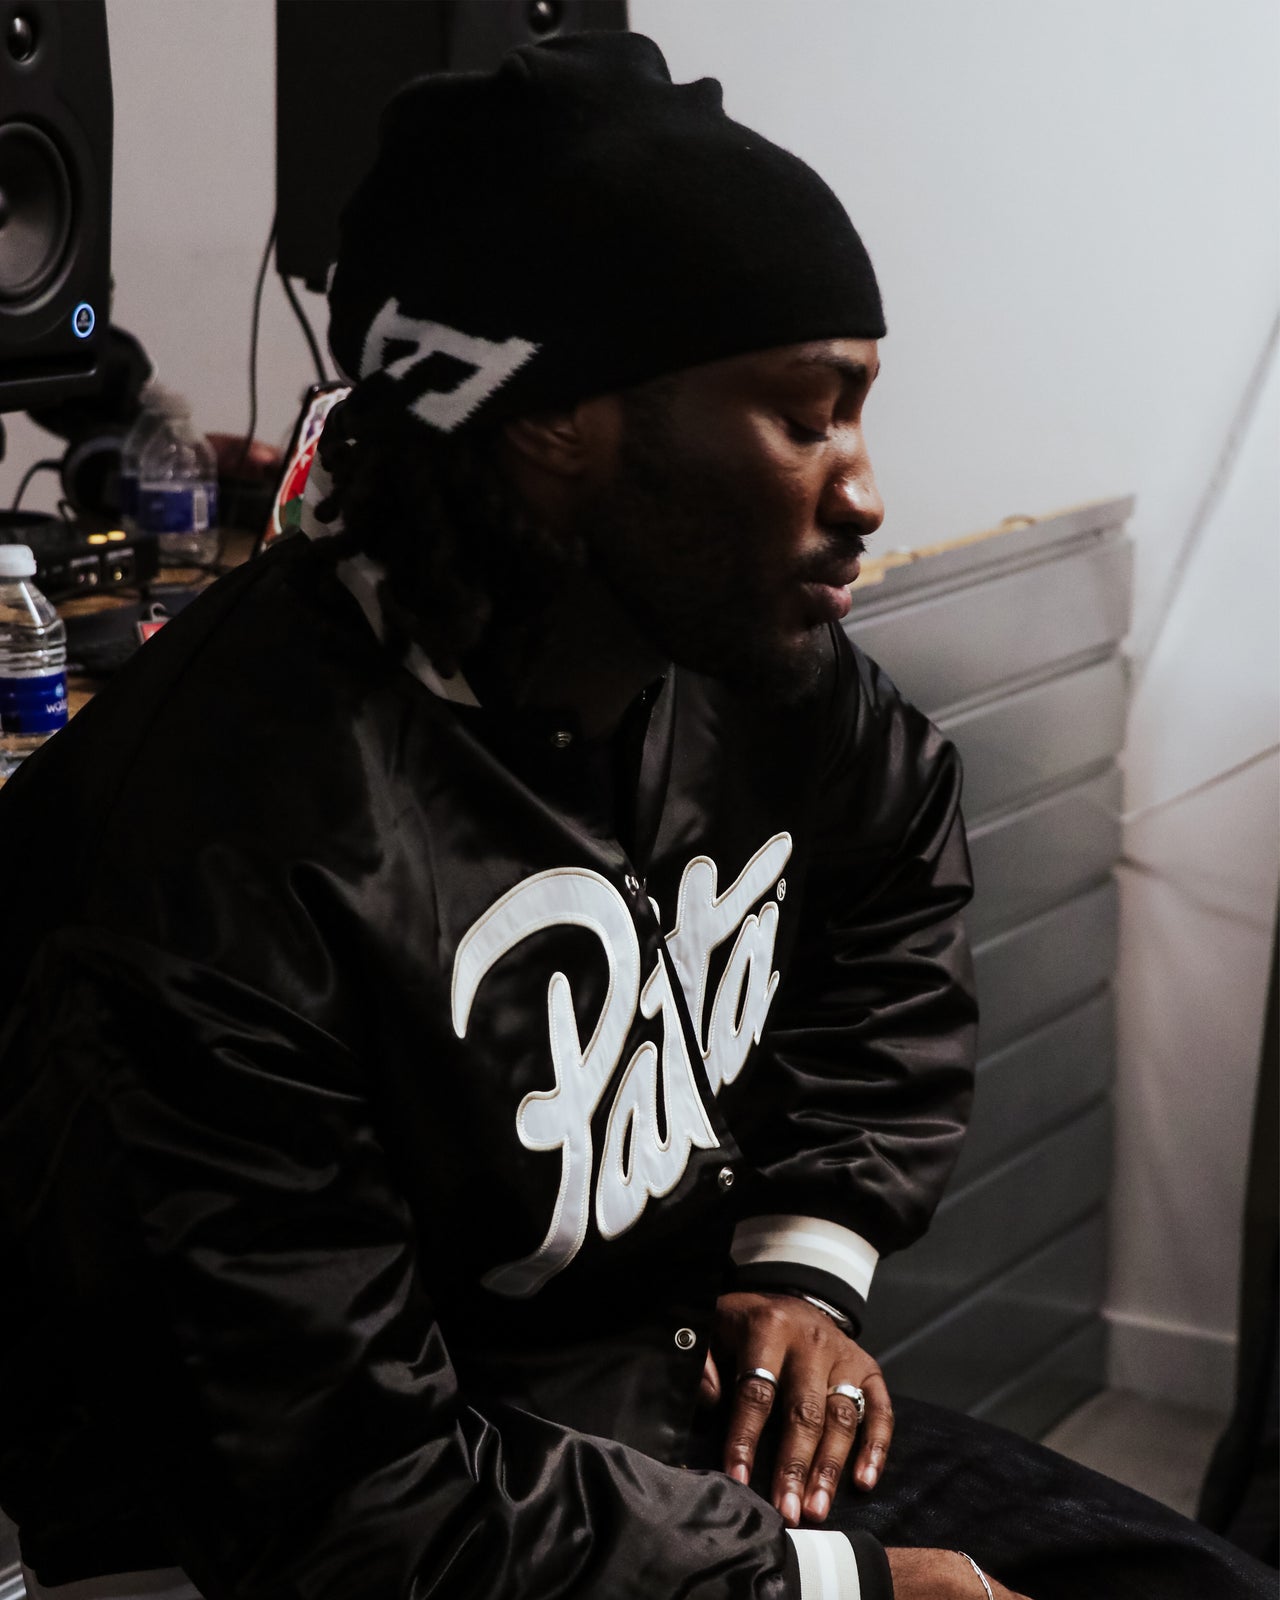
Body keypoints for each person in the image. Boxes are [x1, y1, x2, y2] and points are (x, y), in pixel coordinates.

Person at [0, 30, 1272, 1600]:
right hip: (350, 1535)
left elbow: (894, 873)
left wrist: (807, 1256)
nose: (864, 491)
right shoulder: (214, 861)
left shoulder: (737, 659)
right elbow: (346, 1506)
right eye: (805, 416)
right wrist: (842, 1590)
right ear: (554, 423)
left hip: (656, 1421)